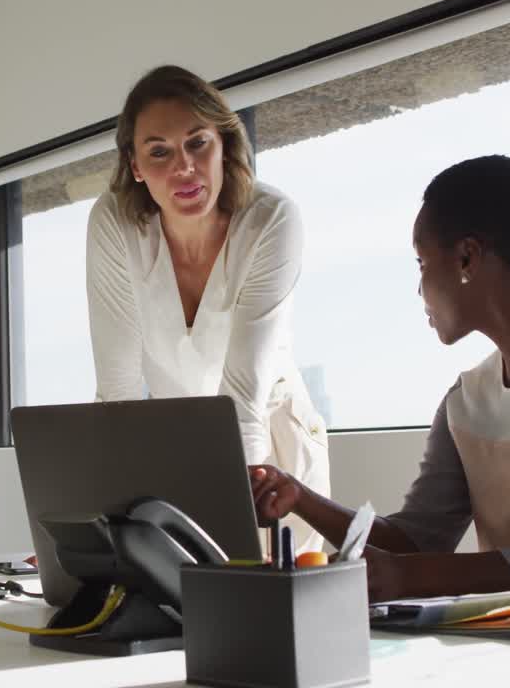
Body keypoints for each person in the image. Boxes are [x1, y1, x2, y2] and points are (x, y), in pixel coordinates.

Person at [250, 155, 510, 601]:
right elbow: (415, 542)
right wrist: (298, 496)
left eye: (420, 262)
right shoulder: (465, 401)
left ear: (467, 256)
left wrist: (408, 577)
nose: (419, 289)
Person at [87, 65, 330, 552]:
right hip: (179, 439)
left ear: (223, 143)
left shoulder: (271, 220)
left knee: (272, 598)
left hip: (272, 447)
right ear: (135, 165)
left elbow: (243, 398)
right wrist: (102, 526)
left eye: (198, 143)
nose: (184, 167)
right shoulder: (114, 222)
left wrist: (238, 537)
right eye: (159, 151)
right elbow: (117, 392)